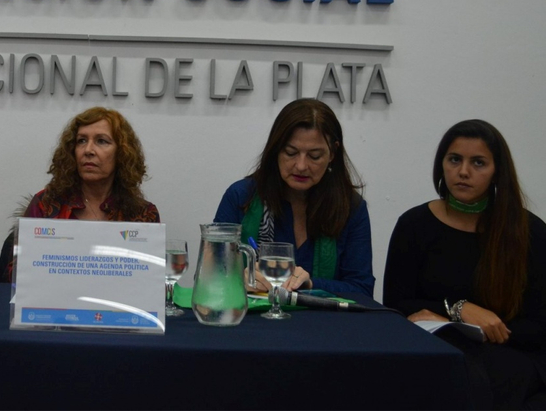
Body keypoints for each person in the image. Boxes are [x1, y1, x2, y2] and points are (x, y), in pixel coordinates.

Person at [383, 120, 546, 409]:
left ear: (497, 172)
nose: (463, 172)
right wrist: (459, 311)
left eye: (479, 163)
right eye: (455, 160)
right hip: (438, 349)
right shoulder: (414, 225)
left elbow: (539, 325)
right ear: (441, 165)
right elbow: (396, 306)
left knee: (481, 380)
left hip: (512, 353)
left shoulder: (529, 231)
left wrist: (483, 329)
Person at [213, 98, 374, 296]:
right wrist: (239, 280)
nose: (301, 166)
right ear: (276, 151)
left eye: (314, 156)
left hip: (325, 325)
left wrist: (311, 284)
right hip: (253, 322)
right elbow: (209, 277)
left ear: (332, 153)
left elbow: (362, 289)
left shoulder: (351, 207)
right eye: (291, 153)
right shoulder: (241, 197)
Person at [0, 107, 160, 282]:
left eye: (101, 141)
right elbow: (16, 276)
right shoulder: (45, 205)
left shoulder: (142, 214)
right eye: (81, 141)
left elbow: (148, 283)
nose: (88, 150)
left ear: (122, 153)